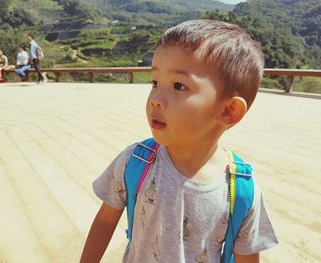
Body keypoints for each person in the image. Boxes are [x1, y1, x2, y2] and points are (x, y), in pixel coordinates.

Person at [80, 20, 278, 263]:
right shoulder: (135, 162)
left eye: (178, 85)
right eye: (154, 83)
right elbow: (106, 220)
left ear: (228, 111)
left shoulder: (241, 192)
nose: (155, 99)